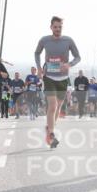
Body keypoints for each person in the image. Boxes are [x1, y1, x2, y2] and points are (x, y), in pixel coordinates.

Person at [34, 16, 81, 149]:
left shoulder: (68, 40)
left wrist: (69, 65)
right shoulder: (45, 40)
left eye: (60, 27)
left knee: (58, 107)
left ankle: (49, 129)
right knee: (52, 106)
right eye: (55, 27)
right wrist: (38, 68)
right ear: (51, 27)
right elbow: (37, 53)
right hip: (49, 77)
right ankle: (52, 134)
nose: (58, 29)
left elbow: (78, 57)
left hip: (63, 79)